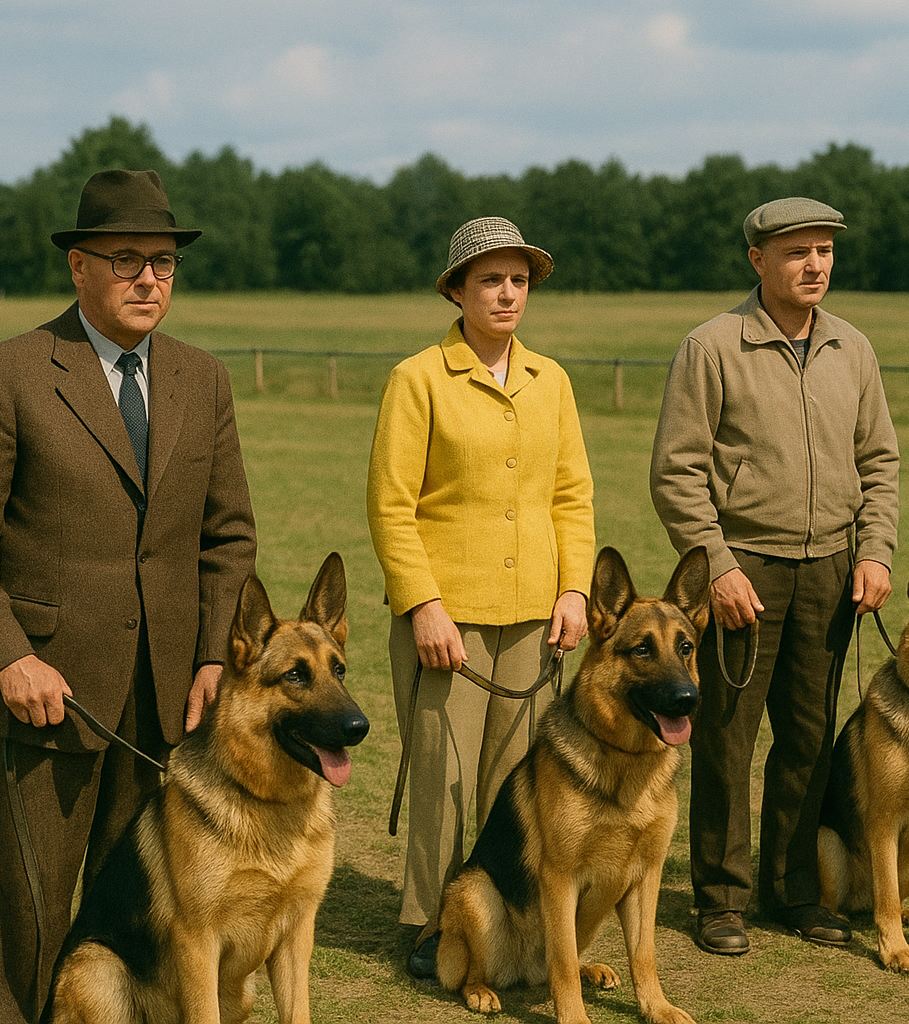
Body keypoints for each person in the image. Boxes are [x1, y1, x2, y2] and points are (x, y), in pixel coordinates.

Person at [0, 169, 257, 1024]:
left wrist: (214, 652)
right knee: (31, 910)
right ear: (79, 268)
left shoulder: (203, 381)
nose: (149, 279)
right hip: (46, 698)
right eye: (126, 259)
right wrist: (8, 657)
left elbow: (229, 539)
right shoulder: (6, 375)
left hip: (168, 703)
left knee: (139, 909)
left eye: (165, 263)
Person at [650, 197, 900, 955]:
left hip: (831, 569)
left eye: (824, 250)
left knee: (810, 738)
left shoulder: (853, 349)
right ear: (758, 260)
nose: (815, 264)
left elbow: (879, 463)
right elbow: (677, 471)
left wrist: (877, 550)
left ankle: (795, 891)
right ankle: (721, 901)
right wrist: (718, 566)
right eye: (798, 252)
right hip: (743, 574)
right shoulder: (712, 346)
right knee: (725, 741)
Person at [367, 216, 595, 979]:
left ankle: (513, 923)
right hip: (448, 621)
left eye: (519, 280)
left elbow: (573, 497)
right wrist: (423, 603)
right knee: (443, 779)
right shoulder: (417, 379)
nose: (507, 293)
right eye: (490, 279)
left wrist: (574, 590)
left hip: (536, 616)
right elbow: (392, 504)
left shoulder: (552, 380)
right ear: (457, 289)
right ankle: (434, 924)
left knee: (517, 787)